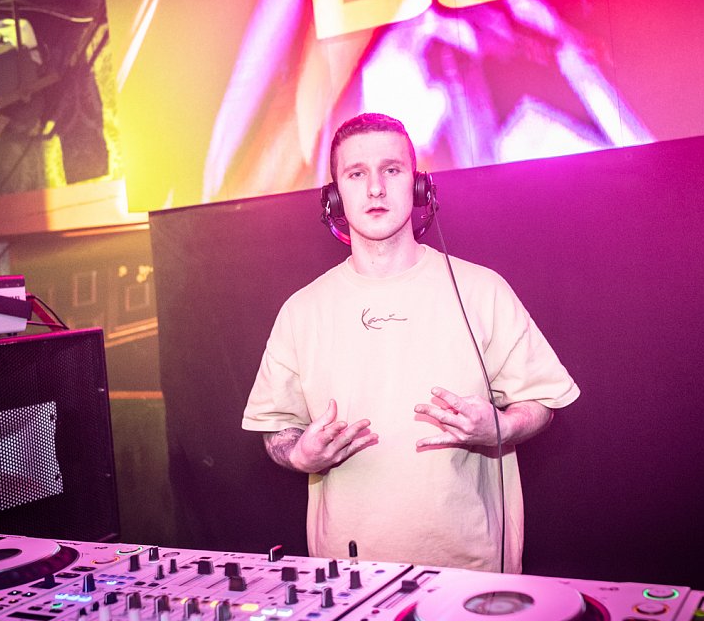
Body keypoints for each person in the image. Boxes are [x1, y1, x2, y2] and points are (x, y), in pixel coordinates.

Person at [241, 112, 579, 574]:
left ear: (419, 187)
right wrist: (300, 454)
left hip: (473, 574)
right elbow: (277, 428)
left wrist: (499, 426)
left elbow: (543, 402)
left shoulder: (482, 290)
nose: (375, 188)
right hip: (349, 576)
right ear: (335, 196)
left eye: (392, 170)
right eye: (356, 174)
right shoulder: (301, 310)